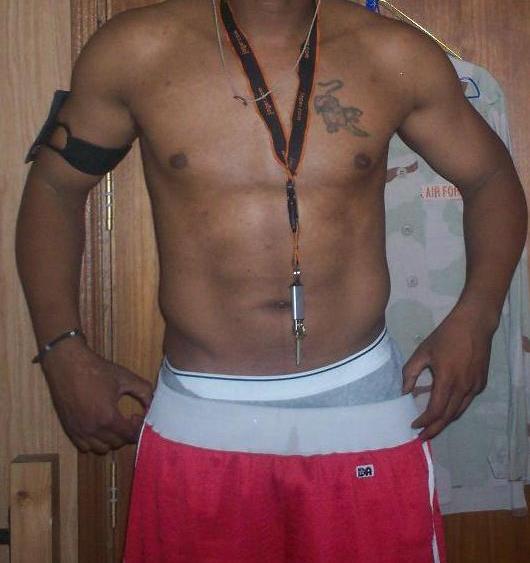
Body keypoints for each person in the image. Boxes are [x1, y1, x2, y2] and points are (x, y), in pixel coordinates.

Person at [16, 1, 527, 561]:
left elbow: (491, 177)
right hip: (202, 413)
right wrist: (63, 351)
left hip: (362, 405)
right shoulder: (135, 50)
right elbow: (54, 189)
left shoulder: (394, 54)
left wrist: (477, 318)